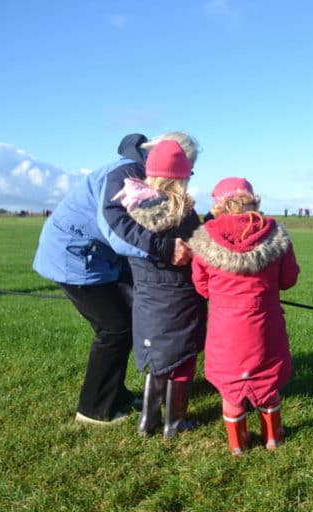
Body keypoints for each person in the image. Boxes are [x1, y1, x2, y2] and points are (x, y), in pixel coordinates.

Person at [32, 132, 198, 425]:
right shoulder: (124, 175)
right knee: (114, 328)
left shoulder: (138, 171)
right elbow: (116, 230)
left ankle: (115, 394)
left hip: (98, 257)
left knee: (126, 321)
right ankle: (94, 409)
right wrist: (165, 249)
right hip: (75, 257)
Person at [189, 177, 300, 455]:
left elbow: (201, 285)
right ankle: (273, 437)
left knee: (230, 385)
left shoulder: (206, 238)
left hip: (225, 327)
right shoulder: (275, 234)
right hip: (265, 322)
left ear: (219, 205)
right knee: (267, 378)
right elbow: (289, 278)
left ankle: (237, 444)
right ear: (253, 200)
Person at [111, 139, 207, 438]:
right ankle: (174, 423)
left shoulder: (132, 207)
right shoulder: (182, 212)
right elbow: (198, 250)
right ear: (181, 176)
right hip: (180, 297)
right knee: (183, 359)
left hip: (147, 298)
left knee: (158, 360)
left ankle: (148, 421)